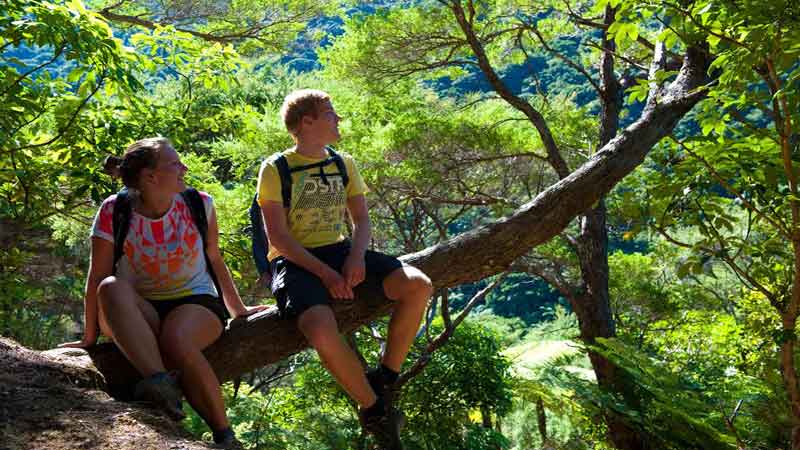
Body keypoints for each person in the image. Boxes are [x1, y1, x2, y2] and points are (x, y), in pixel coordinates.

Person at [59, 137, 268, 448]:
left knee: (177, 337)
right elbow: (97, 276)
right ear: (150, 177)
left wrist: (239, 311)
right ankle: (162, 388)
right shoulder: (114, 210)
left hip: (196, 303)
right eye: (174, 163)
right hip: (137, 310)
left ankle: (225, 436)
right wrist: (89, 337)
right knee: (110, 287)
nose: (184, 168)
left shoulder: (199, 203)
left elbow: (214, 257)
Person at [257, 90, 433, 448]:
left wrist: (355, 256)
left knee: (418, 284)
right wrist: (325, 274)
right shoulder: (275, 169)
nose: (337, 119)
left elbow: (361, 219)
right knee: (319, 327)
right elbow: (278, 237)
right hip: (295, 260)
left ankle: (384, 376)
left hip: (339, 250)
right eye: (329, 113)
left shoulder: (343, 162)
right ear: (307, 122)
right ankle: (374, 410)